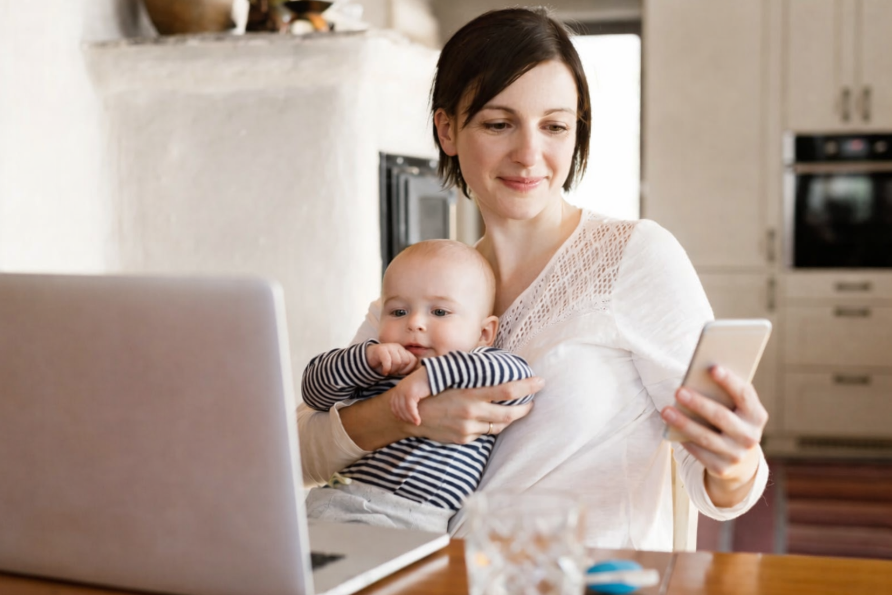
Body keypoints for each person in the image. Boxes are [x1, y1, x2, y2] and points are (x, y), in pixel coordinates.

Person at [297, 7, 770, 550]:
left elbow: (718, 484)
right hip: (440, 579)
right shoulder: (426, 285)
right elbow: (305, 451)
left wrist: (734, 463)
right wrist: (409, 417)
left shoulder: (634, 257)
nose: (529, 155)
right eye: (499, 124)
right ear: (447, 129)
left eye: (554, 126)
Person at [301, 239, 535, 533]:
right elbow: (314, 392)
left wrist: (429, 376)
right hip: (336, 502)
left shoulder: (478, 364)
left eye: (439, 312)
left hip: (413, 521)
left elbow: (516, 376)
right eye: (398, 312)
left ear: (484, 333)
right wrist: (365, 358)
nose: (415, 323)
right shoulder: (380, 363)